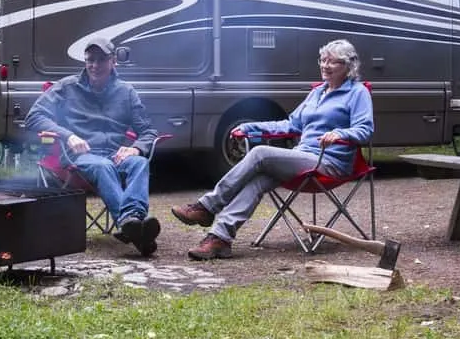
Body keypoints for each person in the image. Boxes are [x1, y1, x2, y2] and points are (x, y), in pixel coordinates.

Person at [171, 38, 374, 260]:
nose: (325, 66)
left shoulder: (357, 93)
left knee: (259, 154)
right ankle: (220, 238)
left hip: (329, 163)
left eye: (333, 62)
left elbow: (365, 129)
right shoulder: (317, 92)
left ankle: (207, 206)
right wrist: (250, 127)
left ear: (348, 66)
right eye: (323, 60)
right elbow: (291, 125)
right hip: (303, 157)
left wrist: (340, 134)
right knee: (258, 180)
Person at [24, 36, 161, 256]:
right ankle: (134, 225)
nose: (94, 66)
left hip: (114, 154)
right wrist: (68, 136)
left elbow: (148, 131)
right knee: (102, 166)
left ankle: (132, 222)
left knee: (139, 163)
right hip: (80, 156)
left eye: (101, 60)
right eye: (90, 60)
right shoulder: (67, 87)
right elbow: (34, 117)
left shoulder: (126, 92)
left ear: (113, 61)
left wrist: (135, 148)